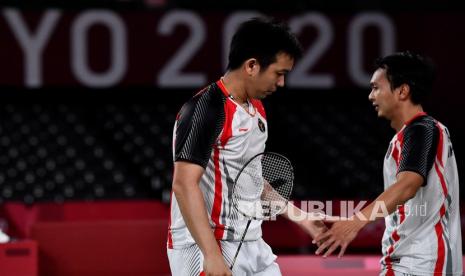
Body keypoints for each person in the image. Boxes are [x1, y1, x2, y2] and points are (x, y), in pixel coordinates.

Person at [167, 17, 326, 276]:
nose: (282, 83)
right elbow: (184, 184)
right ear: (252, 66)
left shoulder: (257, 109)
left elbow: (251, 178)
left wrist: (301, 216)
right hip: (206, 245)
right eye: (279, 73)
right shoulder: (206, 109)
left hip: (250, 241)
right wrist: (211, 255)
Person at [314, 51, 463, 275]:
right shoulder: (411, 134)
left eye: (376, 88)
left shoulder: (422, 130)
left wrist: (354, 223)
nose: (370, 96)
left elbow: (407, 186)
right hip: (410, 262)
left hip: (422, 265)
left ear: (402, 91)